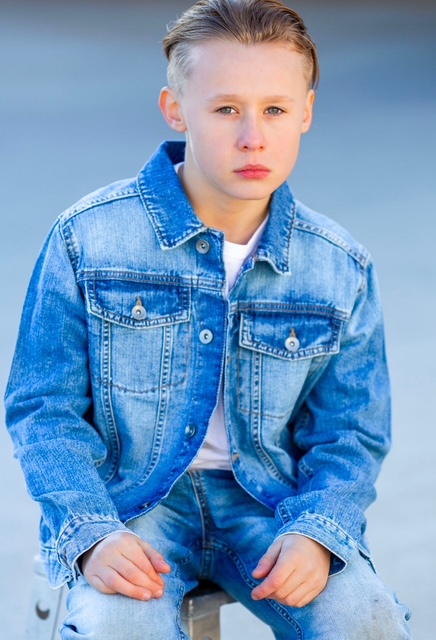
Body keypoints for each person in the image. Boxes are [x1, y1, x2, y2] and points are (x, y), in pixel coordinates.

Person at [5, 0, 411, 638]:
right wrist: (89, 531)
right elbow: (42, 407)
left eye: (275, 109)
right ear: (176, 109)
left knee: (366, 618)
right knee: (117, 626)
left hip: (271, 507)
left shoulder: (339, 266)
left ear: (306, 112)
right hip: (128, 507)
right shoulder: (89, 237)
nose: (253, 137)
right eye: (226, 109)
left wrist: (320, 531)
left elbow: (352, 432)